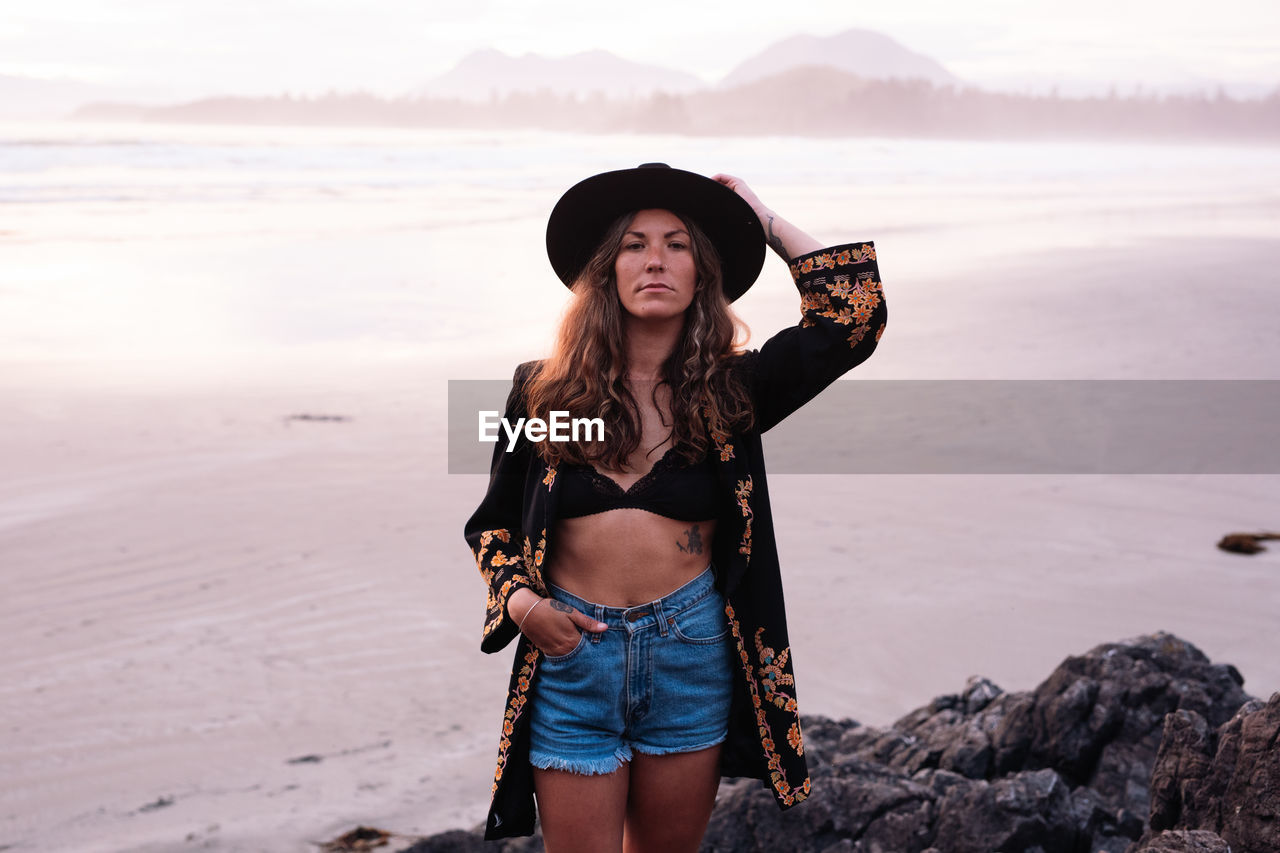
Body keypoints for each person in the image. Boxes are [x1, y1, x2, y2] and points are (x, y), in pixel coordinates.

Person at [464, 163, 886, 852]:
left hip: (690, 656)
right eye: (633, 244)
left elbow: (853, 314)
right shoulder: (542, 395)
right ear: (606, 269)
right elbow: (494, 526)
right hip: (572, 658)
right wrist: (521, 605)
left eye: (678, 244)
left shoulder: (734, 394)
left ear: (702, 273)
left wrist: (762, 218)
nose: (655, 258)